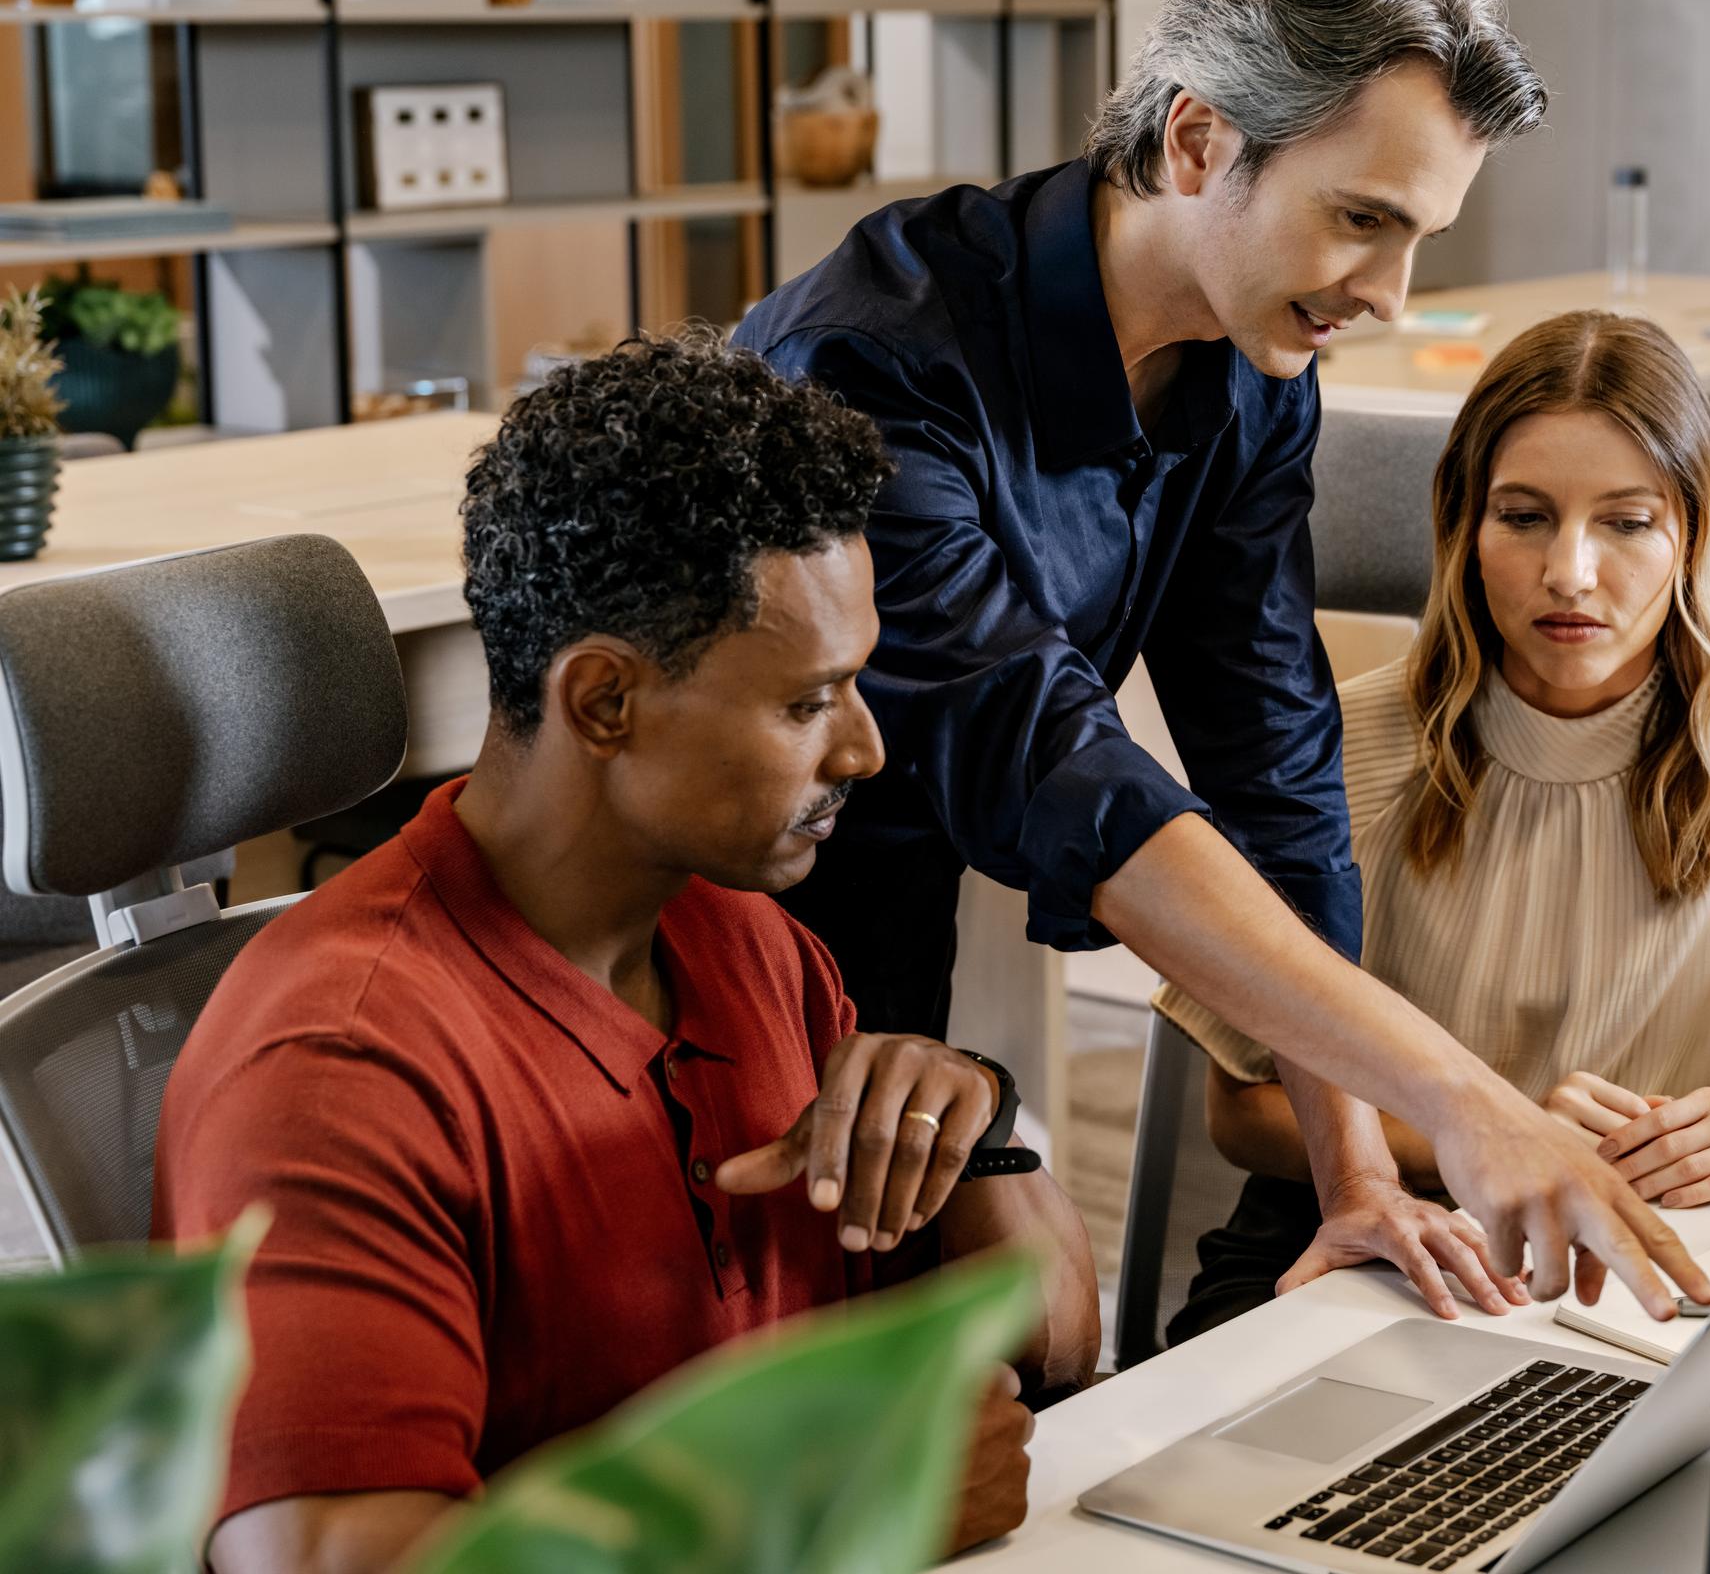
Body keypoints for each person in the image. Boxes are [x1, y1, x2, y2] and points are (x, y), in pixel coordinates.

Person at [733, 0, 1710, 1320]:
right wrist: (1462, 1100)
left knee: (961, 1354)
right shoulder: (881, 358)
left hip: (884, 915)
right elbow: (1048, 758)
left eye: (1420, 236)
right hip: (701, 937)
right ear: (1197, 142)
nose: (1391, 293)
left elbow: (1275, 767)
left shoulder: (1254, 375)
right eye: (1363, 220)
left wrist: (1356, 1172)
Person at [153, 334, 1099, 1574]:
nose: (864, 750)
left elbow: (1055, 1355)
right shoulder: (338, 1067)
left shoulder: (757, 947)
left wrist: (979, 1121)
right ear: (603, 701)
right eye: (806, 703)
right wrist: (835, 1514)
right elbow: (336, 1559)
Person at [1157, 311, 1710, 1337]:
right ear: (1463, 529)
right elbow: (1240, 1114)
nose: (1570, 573)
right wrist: (1491, 1135)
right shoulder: (1332, 755)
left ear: (1693, 536)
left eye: (1627, 523)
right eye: (1524, 517)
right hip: (1369, 1242)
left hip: (1643, 1265)